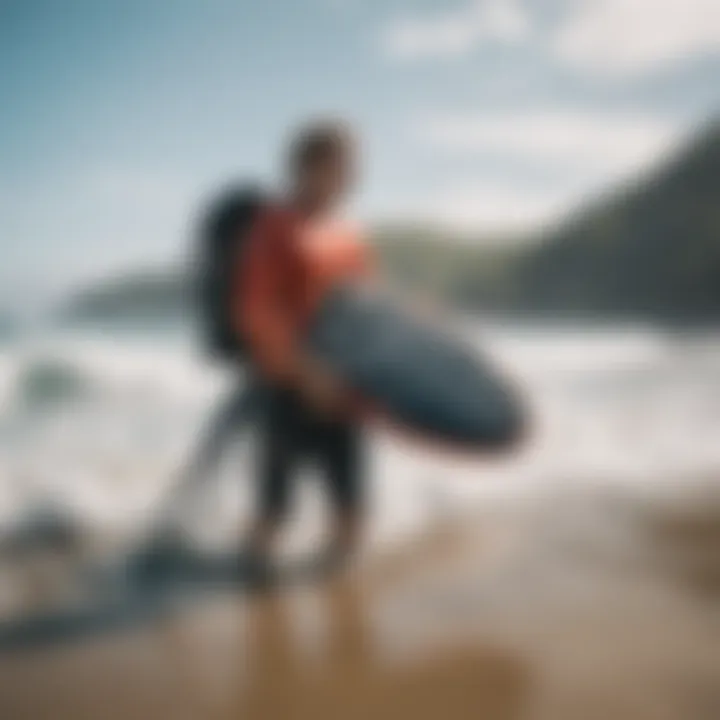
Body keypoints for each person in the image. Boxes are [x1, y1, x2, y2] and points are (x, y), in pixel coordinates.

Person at [236, 119, 372, 577]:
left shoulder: (349, 234)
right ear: (307, 168)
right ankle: (247, 603)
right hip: (286, 388)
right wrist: (305, 372)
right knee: (274, 511)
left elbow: (369, 310)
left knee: (352, 508)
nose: (355, 175)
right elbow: (256, 312)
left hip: (342, 390)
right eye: (344, 165)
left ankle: (340, 599)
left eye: (354, 166)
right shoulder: (276, 226)